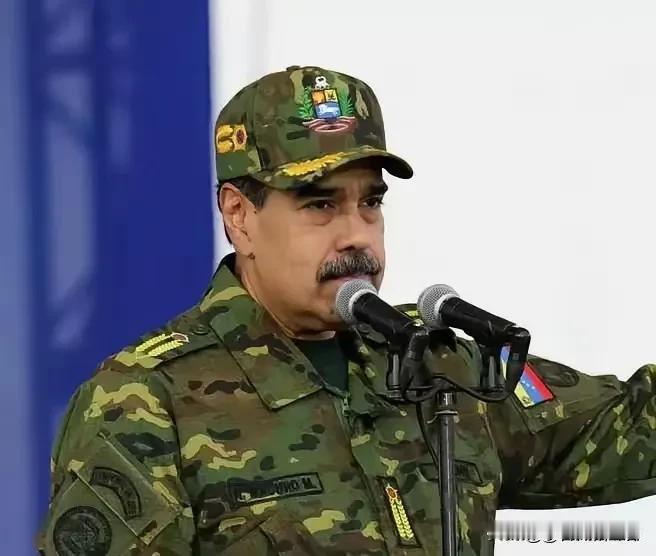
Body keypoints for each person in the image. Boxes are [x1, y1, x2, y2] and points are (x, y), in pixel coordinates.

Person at [36, 66, 656, 556]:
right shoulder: (145, 399)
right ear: (239, 216)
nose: (356, 234)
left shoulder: (438, 364)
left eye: (371, 204)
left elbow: (632, 430)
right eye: (320, 205)